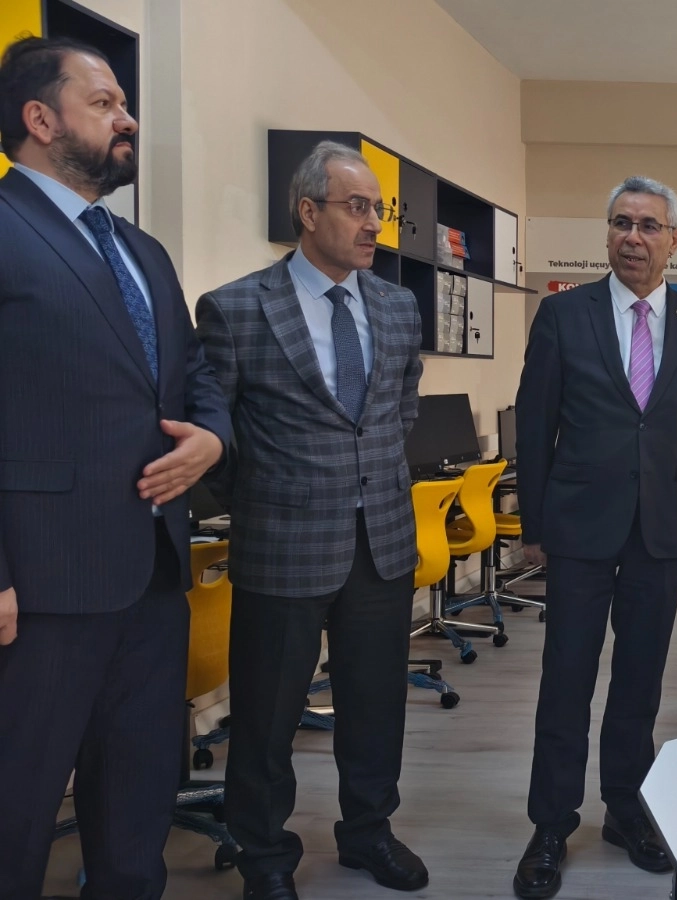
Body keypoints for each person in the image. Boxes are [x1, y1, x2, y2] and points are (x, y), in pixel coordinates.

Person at [0, 36, 229, 899]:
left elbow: (197, 380)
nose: (127, 119)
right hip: (40, 590)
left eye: (125, 104)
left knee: (137, 810)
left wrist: (211, 440)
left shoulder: (143, 252)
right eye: (104, 103)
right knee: (16, 811)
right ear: (40, 118)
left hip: (153, 578)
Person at [195, 141, 425, 900]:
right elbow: (216, 430)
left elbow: (399, 410)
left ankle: (369, 833)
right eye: (357, 208)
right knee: (266, 718)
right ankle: (264, 856)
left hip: (381, 540)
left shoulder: (397, 305)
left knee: (376, 706)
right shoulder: (236, 308)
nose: (373, 225)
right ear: (307, 211)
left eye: (379, 210)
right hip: (283, 543)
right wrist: (270, 495)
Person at [511, 175, 677, 899]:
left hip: (663, 530)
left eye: (647, 225)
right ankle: (551, 823)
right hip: (578, 527)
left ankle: (626, 808)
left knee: (640, 679)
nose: (632, 237)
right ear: (608, 234)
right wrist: (535, 526)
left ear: (674, 240)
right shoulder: (562, 315)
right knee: (566, 677)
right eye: (621, 223)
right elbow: (535, 426)